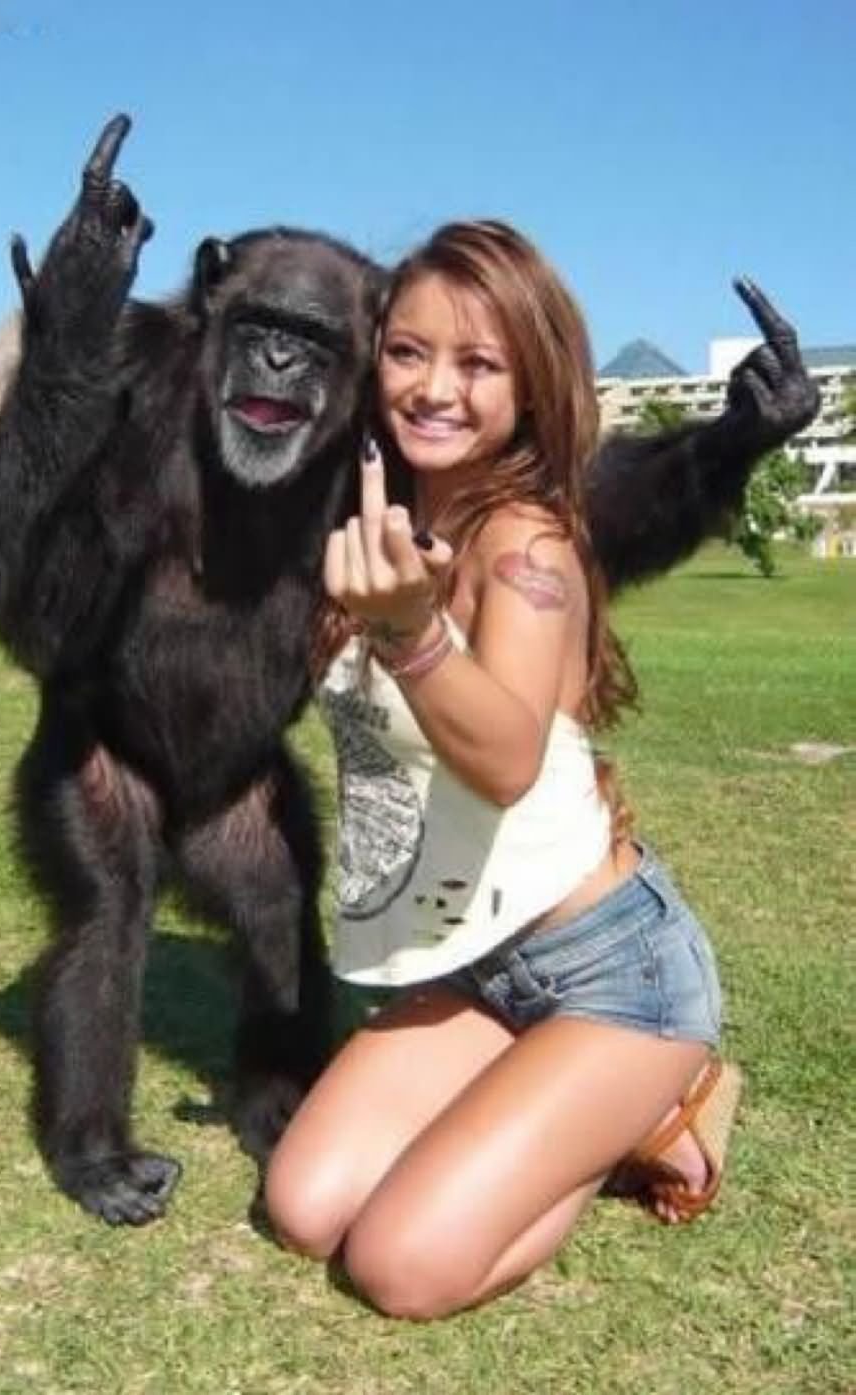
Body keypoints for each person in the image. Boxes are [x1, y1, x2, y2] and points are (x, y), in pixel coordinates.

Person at [263, 220, 741, 1320]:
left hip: (611, 978)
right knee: (304, 1206)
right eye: (407, 352)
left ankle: (655, 1104)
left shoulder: (527, 545)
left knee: (400, 1265)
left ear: (531, 383)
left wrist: (410, 632)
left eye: (478, 363)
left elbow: (509, 760)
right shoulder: (381, 514)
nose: (434, 388)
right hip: (471, 965)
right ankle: (533, 1101)